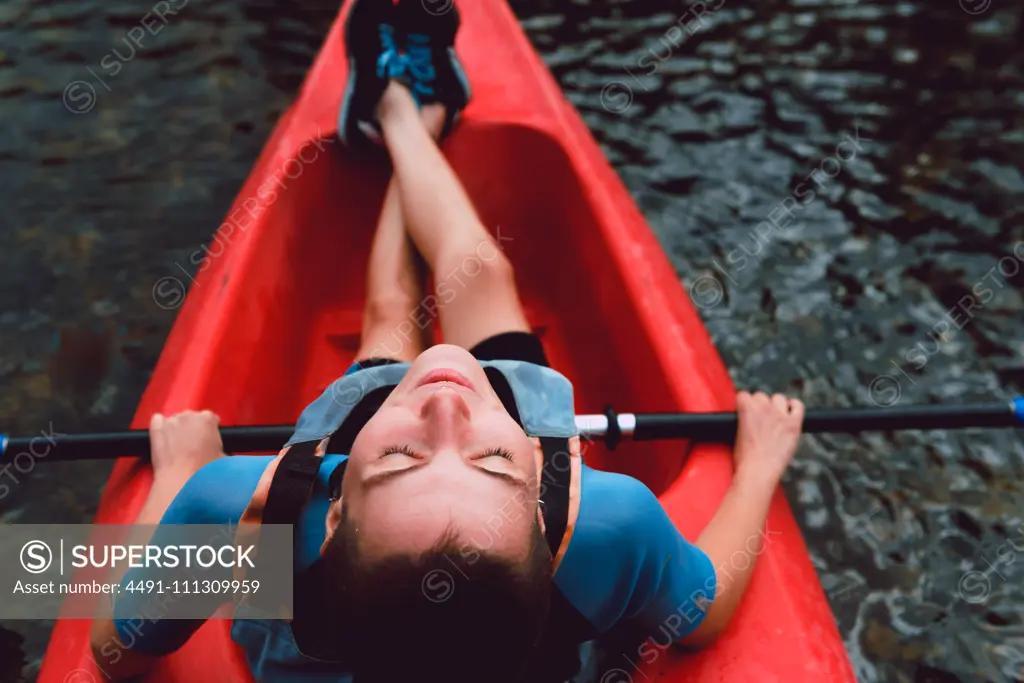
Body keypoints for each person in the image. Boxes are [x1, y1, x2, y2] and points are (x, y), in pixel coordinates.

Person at [89, 1, 807, 682]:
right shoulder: (612, 526)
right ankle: (413, 121)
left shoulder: (233, 506)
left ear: (332, 516)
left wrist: (176, 480)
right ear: (545, 505)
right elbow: (703, 614)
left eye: (399, 455)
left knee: (391, 314)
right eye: (493, 458)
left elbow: (116, 649)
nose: (447, 405)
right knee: (479, 273)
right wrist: (759, 465)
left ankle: (396, 113)